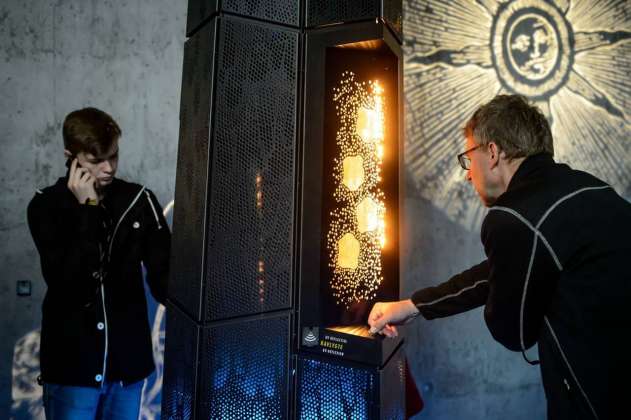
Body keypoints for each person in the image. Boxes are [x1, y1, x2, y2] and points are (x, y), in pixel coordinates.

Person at [368, 95, 630, 420]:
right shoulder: (590, 188)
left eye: (468, 158)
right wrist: (414, 306)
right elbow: (502, 270)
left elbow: (514, 332)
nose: (467, 175)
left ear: (492, 153)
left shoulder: (512, 218)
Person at [27, 107, 171, 419]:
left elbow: (166, 279)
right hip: (72, 368)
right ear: (71, 156)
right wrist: (88, 208)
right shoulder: (46, 205)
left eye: (114, 156)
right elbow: (69, 283)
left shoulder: (139, 201)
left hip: (127, 369)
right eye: (95, 160)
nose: (108, 168)